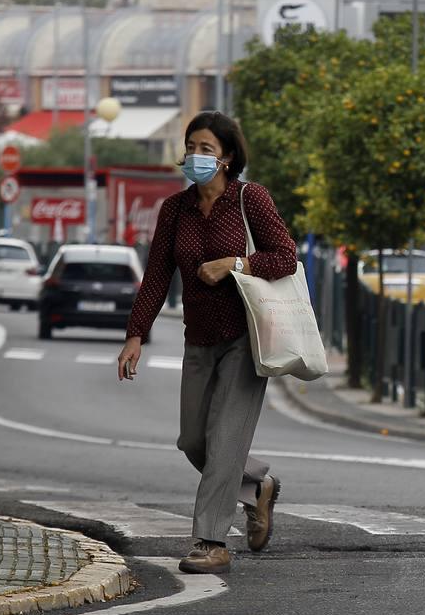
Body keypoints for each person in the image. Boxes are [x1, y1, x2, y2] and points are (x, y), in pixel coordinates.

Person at [117, 111, 298, 575]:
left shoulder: (248, 198)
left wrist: (235, 263)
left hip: (245, 337)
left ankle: (211, 541)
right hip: (198, 339)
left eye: (207, 149)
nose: (196, 156)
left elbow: (285, 258)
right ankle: (257, 485)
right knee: (193, 441)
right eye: (191, 147)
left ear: (227, 157)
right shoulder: (175, 209)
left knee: (222, 443)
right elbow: (157, 274)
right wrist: (135, 334)